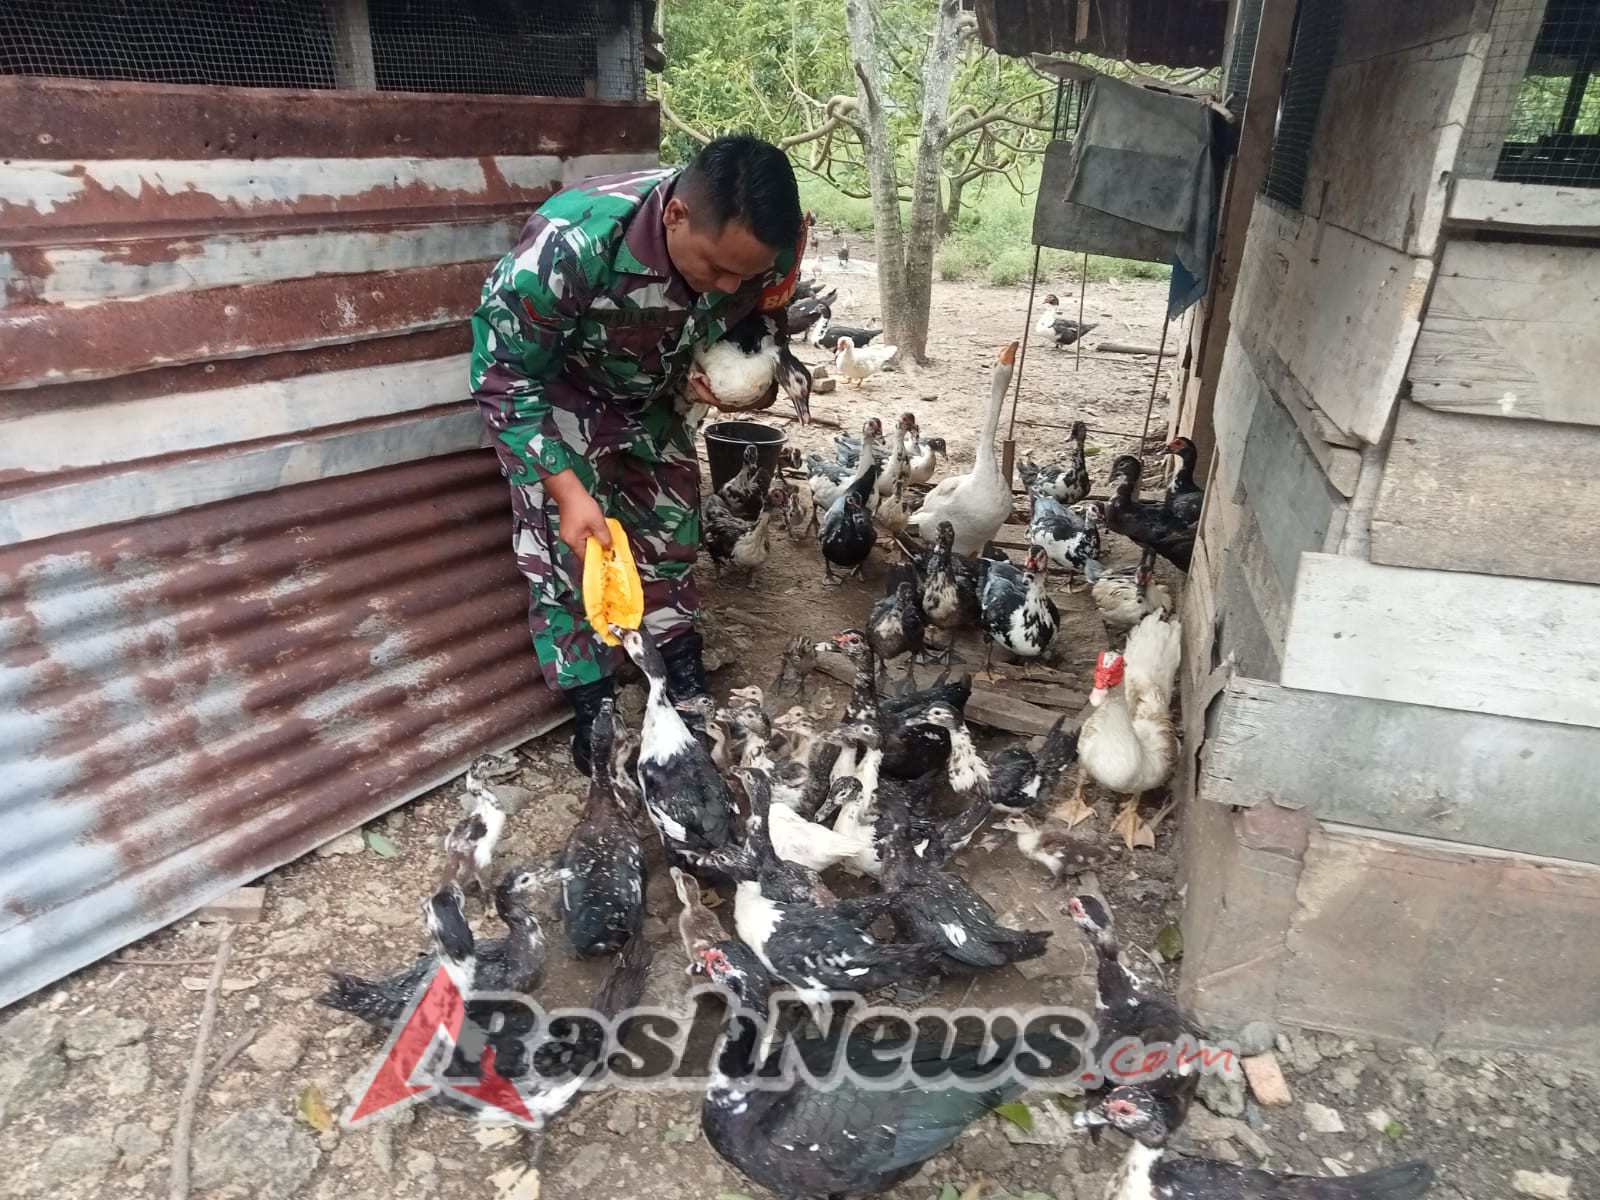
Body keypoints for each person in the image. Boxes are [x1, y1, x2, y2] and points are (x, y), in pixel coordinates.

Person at [470, 135, 804, 775]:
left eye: (746, 270)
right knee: (573, 555)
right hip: (563, 399)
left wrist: (728, 370)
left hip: (656, 398)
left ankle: (680, 673)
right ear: (676, 216)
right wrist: (567, 491)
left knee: (674, 532)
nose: (730, 282)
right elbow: (502, 375)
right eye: (717, 268)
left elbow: (756, 319)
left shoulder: (770, 242)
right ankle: (592, 702)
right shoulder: (571, 244)